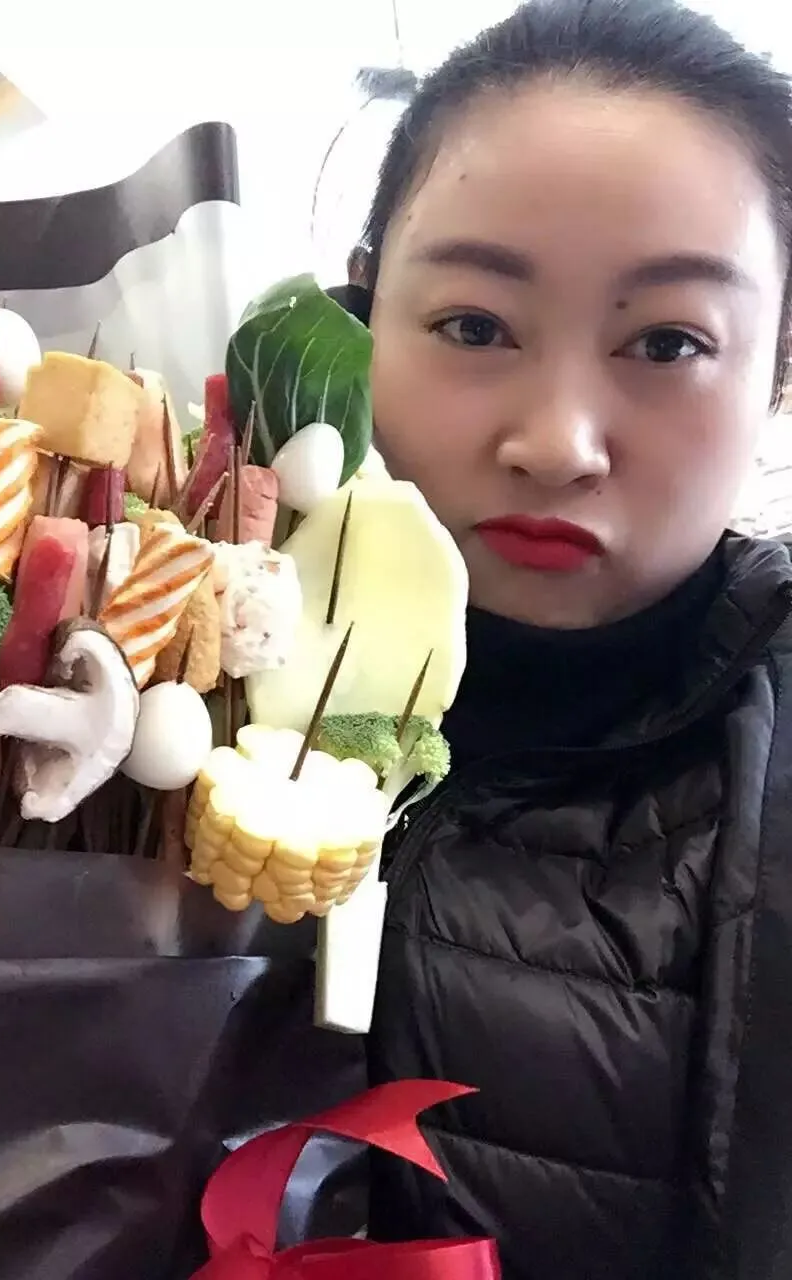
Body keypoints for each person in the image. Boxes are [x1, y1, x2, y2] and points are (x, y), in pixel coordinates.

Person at [337, 2, 792, 1277]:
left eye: (668, 342)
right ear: (364, 307)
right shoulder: (143, 629)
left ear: (777, 367)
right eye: (475, 326)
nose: (557, 444)